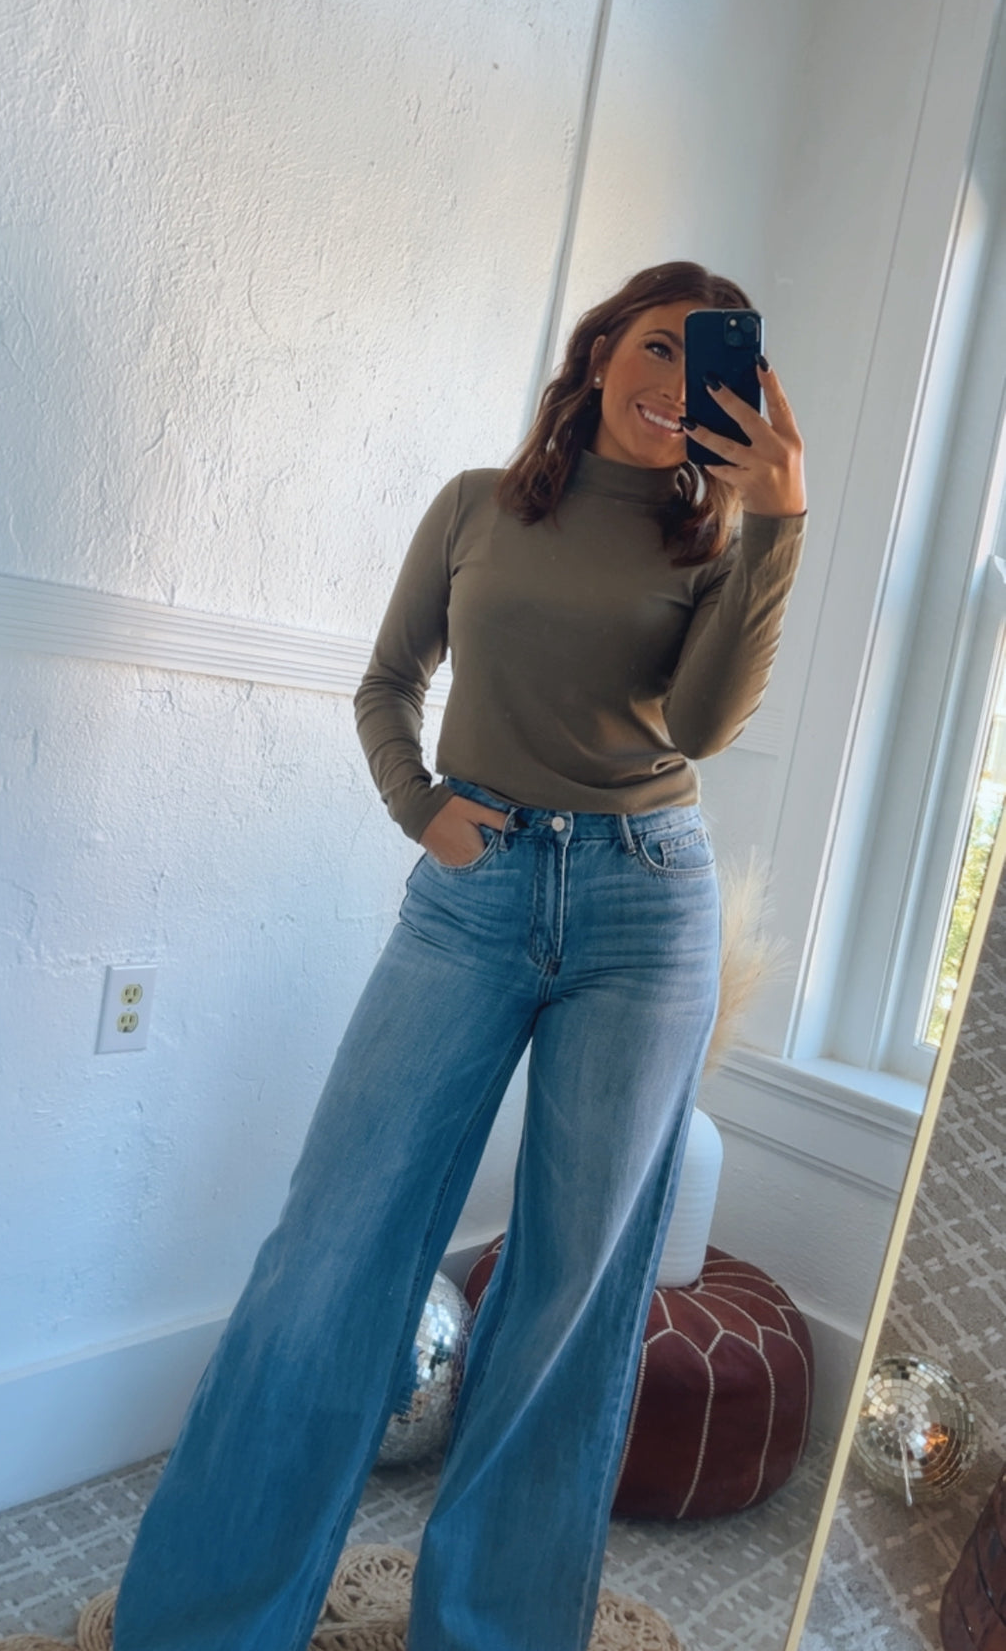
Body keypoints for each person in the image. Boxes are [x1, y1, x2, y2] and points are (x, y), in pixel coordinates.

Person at [113, 260, 806, 1651]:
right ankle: (201, 1625)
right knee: (331, 1247)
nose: (677, 383)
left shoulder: (715, 543)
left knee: (571, 1299)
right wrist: (418, 806)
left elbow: (702, 727)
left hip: (646, 906)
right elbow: (387, 681)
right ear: (599, 352)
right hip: (473, 892)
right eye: (656, 346)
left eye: (709, 362)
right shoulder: (477, 507)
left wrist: (777, 520)